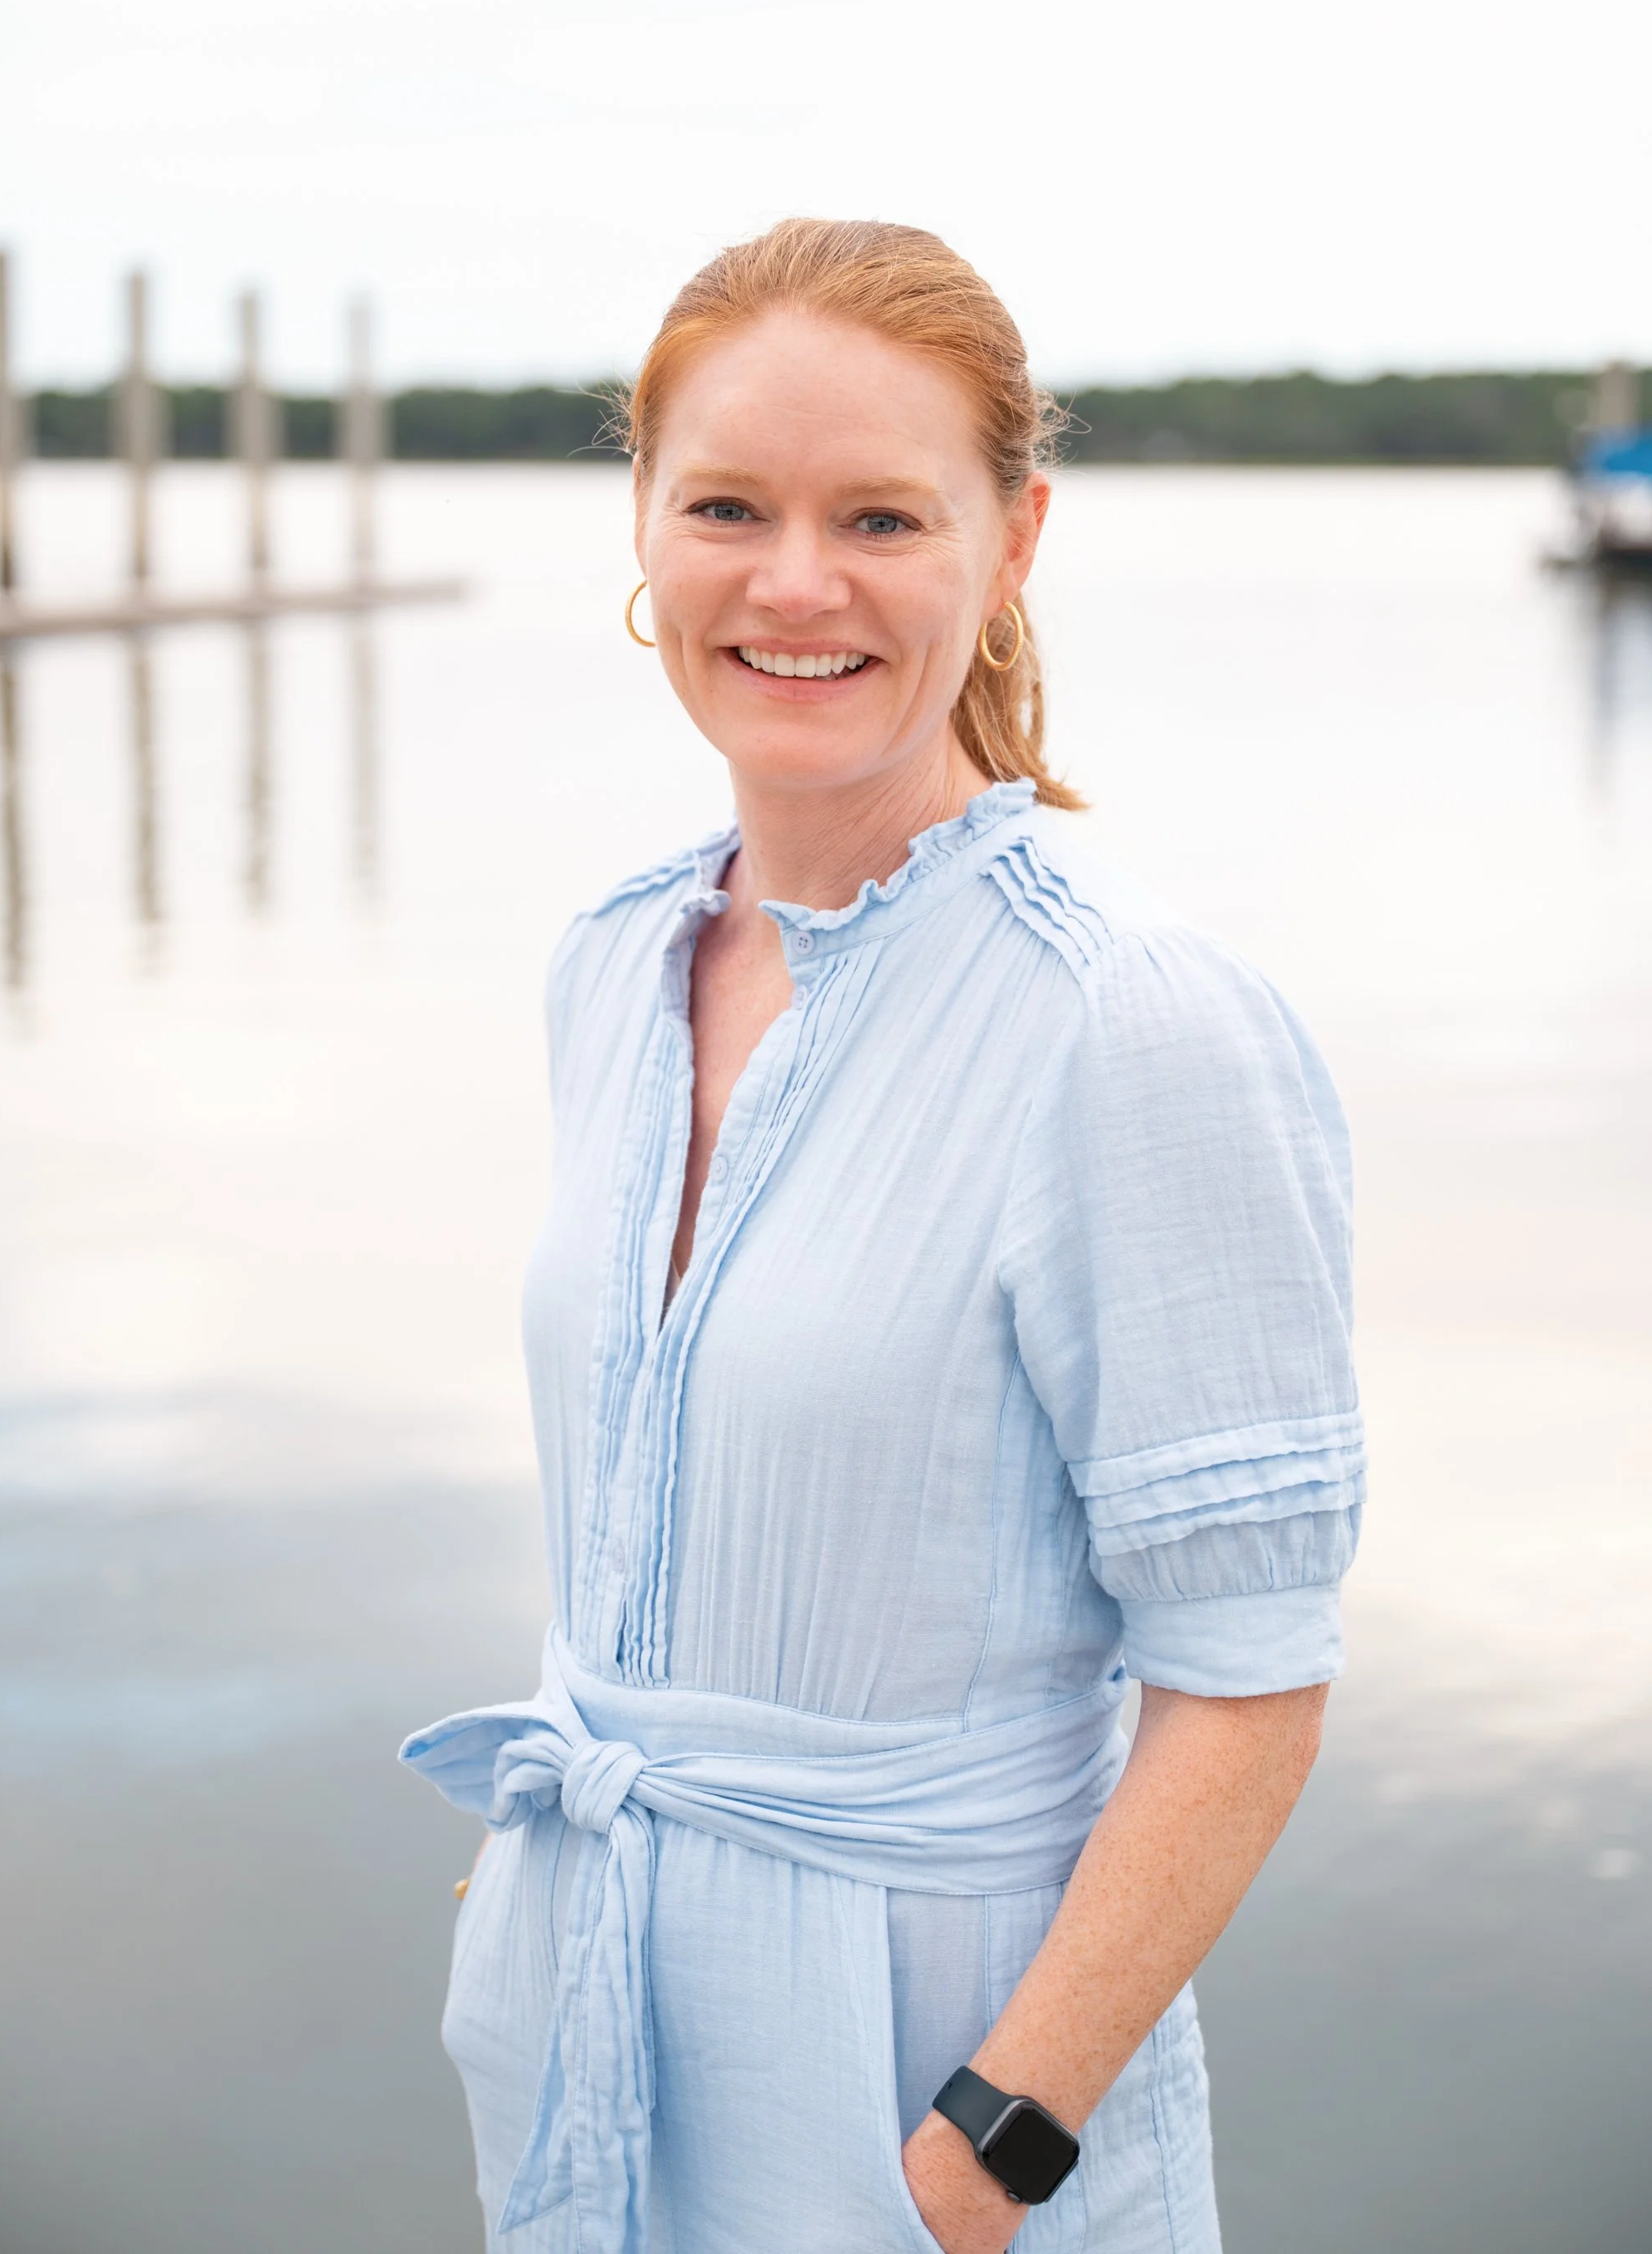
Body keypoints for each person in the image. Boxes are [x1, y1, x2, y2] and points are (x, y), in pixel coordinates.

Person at [402, 217, 1363, 2254]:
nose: (795, 582)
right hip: (588, 2023)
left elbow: (1245, 1686)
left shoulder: (1123, 1024)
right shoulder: (611, 967)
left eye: (881, 516)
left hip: (930, 2095)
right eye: (725, 507)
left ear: (1012, 542)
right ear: (643, 534)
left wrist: (977, 2157)